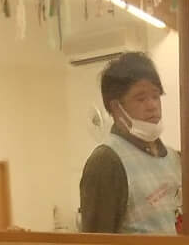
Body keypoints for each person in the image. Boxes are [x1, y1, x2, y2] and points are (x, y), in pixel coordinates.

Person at [78, 51, 182, 235]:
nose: (152, 105)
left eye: (156, 96)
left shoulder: (174, 158)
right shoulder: (106, 162)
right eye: (141, 98)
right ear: (116, 107)